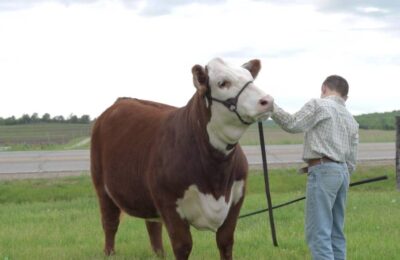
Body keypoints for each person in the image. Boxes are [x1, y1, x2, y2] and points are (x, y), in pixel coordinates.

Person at [271, 75, 359, 260]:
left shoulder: (319, 105)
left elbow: (292, 123)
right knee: (336, 232)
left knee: (318, 233)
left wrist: (271, 106)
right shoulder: (351, 119)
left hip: (323, 171)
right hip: (342, 173)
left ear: (324, 88)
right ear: (346, 97)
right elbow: (352, 159)